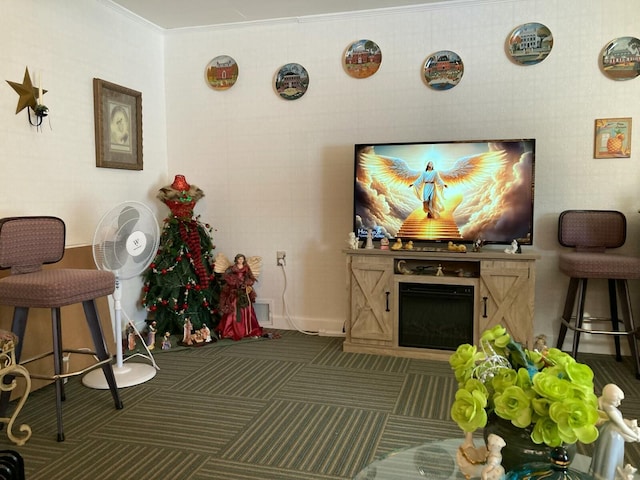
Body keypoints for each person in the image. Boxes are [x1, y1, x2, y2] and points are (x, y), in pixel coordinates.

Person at [590, 384, 640, 480]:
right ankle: (606, 476)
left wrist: (630, 424)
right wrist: (636, 436)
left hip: (612, 433)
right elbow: (621, 425)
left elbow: (621, 421)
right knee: (609, 458)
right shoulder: (610, 409)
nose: (619, 403)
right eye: (617, 400)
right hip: (612, 436)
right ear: (610, 399)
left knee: (609, 456)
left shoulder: (607, 405)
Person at [217, 254, 263, 341]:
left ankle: (247, 329)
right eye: (239, 259)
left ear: (244, 260)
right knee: (233, 307)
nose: (240, 260)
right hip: (234, 289)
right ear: (236, 260)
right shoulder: (232, 268)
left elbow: (251, 277)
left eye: (242, 259)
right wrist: (233, 281)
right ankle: (231, 330)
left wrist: (246, 283)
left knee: (245, 307)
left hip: (243, 290)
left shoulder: (246, 268)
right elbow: (225, 276)